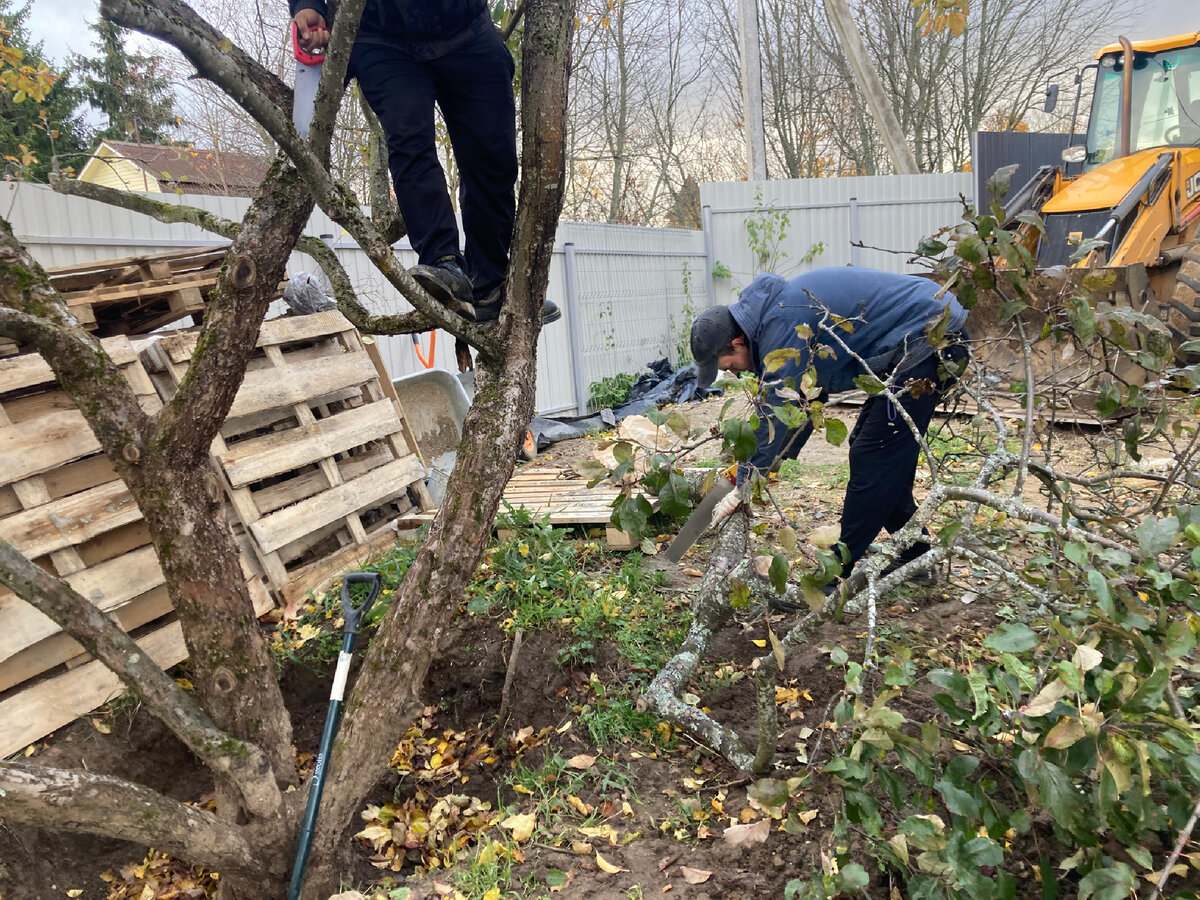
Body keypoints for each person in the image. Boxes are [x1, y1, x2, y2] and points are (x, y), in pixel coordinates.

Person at [690, 267, 969, 596]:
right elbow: (806, 398)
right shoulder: (774, 316)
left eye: (730, 366)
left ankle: (833, 578)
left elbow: (777, 408)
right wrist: (776, 458)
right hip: (913, 343)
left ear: (737, 343)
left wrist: (746, 482)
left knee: (874, 457)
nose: (736, 374)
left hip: (929, 339)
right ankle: (915, 557)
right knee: (879, 455)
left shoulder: (780, 327)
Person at [290, 0, 560, 325]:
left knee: (492, 158)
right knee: (410, 146)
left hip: (465, 26)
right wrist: (307, 5)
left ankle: (490, 288)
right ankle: (445, 267)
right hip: (379, 35)